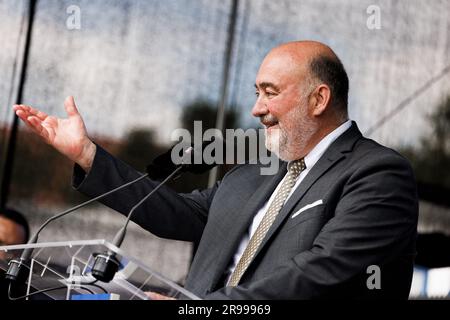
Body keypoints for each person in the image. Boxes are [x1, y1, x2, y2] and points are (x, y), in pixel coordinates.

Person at [12, 40, 418, 299]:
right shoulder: (255, 171)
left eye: (270, 93)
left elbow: (320, 274)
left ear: (319, 99)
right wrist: (87, 154)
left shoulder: (378, 173)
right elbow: (175, 213)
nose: (256, 108)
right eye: (256, 93)